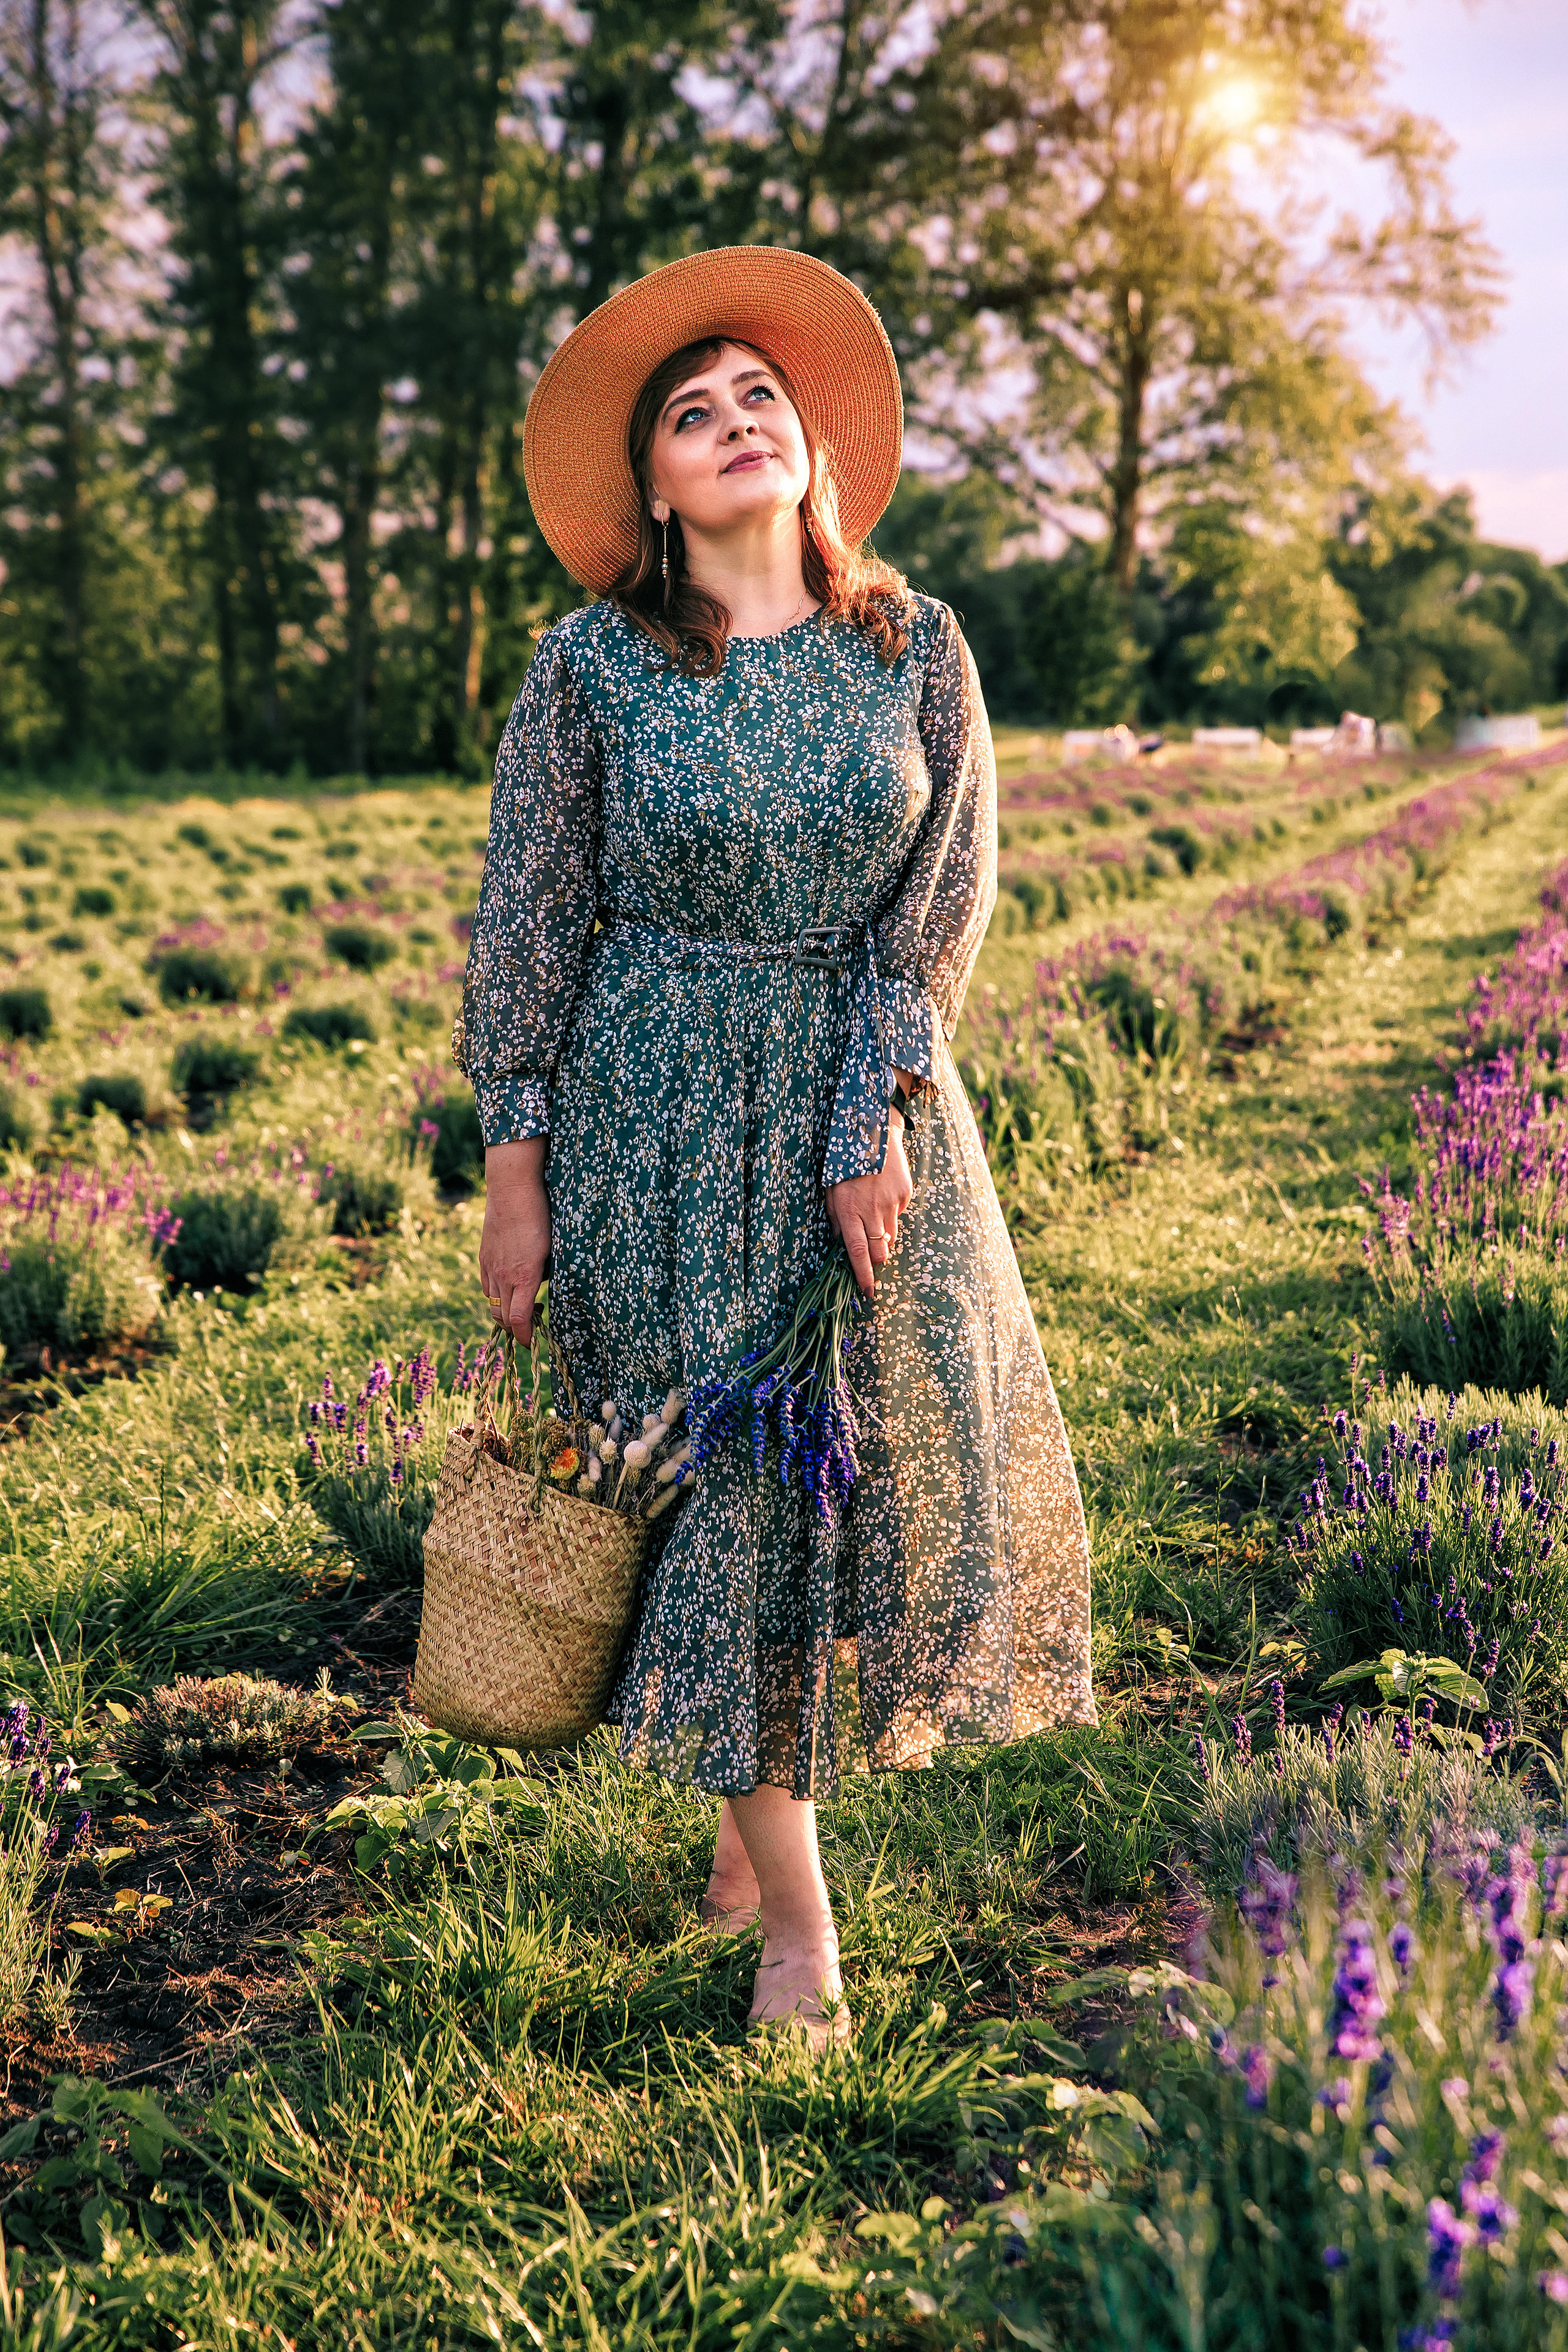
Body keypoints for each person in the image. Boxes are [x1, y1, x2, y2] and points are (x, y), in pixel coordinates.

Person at [457, 246, 1095, 2052]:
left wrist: (863, 1120)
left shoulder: (919, 646)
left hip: (859, 1094)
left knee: (839, 1473)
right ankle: (801, 1932)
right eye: (691, 414)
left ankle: (751, 1804)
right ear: (652, 487)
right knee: (730, 1486)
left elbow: (939, 906)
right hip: (650, 1106)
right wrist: (518, 1169)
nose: (735, 426)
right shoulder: (595, 668)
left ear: (814, 450)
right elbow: (531, 919)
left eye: (760, 401)